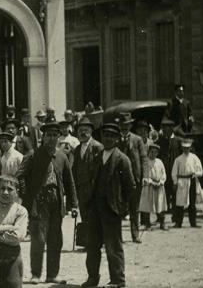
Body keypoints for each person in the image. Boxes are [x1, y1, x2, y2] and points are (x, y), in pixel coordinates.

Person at [17, 118, 76, 284]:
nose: (52, 138)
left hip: (56, 201)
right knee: (38, 239)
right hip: (38, 202)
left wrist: (74, 204)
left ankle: (52, 275)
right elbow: (20, 175)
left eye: (55, 135)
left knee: (55, 239)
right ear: (43, 137)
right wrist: (26, 195)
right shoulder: (33, 155)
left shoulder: (62, 157)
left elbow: (69, 182)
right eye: (48, 135)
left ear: (59, 137)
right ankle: (36, 274)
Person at [81, 123, 134, 288]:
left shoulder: (122, 159)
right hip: (95, 207)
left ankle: (118, 280)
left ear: (117, 139)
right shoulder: (97, 156)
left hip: (111, 209)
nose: (108, 139)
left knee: (113, 246)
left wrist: (122, 208)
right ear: (102, 137)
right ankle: (92, 278)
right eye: (106, 136)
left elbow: (130, 186)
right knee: (92, 245)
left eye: (112, 136)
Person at [116, 114, 147, 243]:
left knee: (134, 208)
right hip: (119, 179)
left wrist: (144, 176)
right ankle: (118, 237)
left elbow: (143, 159)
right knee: (119, 207)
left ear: (130, 125)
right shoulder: (116, 139)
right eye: (122, 125)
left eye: (126, 125)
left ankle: (135, 235)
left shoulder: (137, 140)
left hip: (135, 178)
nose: (124, 127)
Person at [71, 117, 103, 240]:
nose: (83, 133)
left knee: (95, 214)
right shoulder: (78, 148)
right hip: (81, 187)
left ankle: (99, 240)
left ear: (91, 131)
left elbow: (100, 169)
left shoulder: (97, 147)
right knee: (84, 214)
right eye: (80, 130)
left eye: (85, 130)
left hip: (93, 188)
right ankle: (88, 241)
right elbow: (75, 168)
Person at [170, 139, 202, 228]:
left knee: (192, 203)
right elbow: (174, 172)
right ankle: (178, 222)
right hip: (181, 182)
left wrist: (196, 174)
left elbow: (200, 170)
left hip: (191, 181)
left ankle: (193, 222)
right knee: (179, 203)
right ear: (182, 148)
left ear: (190, 148)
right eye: (184, 148)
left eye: (187, 148)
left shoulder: (194, 158)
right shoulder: (178, 159)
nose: (186, 149)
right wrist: (175, 182)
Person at [138, 142, 167, 230]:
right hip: (149, 186)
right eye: (152, 152)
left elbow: (163, 173)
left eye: (155, 152)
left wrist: (161, 182)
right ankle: (147, 224)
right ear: (148, 152)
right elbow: (145, 174)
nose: (153, 154)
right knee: (148, 205)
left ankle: (162, 223)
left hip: (159, 186)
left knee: (160, 204)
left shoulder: (159, 162)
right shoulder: (146, 162)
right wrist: (151, 182)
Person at [156, 118, 181, 213]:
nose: (165, 131)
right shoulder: (160, 142)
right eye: (164, 128)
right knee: (163, 193)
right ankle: (162, 214)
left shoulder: (178, 141)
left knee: (175, 193)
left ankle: (175, 214)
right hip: (164, 171)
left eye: (167, 128)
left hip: (174, 171)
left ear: (171, 129)